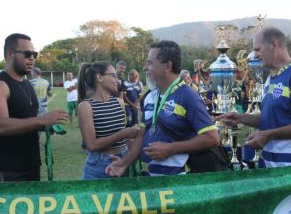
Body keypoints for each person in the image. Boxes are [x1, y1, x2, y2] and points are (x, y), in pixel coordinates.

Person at [106, 40, 220, 177]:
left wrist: (171, 149)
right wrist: (124, 163)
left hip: (178, 184)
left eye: (150, 63)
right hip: (151, 182)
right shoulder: (149, 96)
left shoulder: (188, 96)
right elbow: (141, 135)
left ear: (167, 66)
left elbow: (212, 138)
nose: (145, 68)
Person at [0, 33, 68, 182]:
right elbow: (0, 126)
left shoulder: (27, 83)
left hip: (31, 164)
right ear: (10, 54)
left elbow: (26, 119)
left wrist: (45, 126)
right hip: (7, 168)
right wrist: (41, 121)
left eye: (34, 54)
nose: (32, 58)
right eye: (27, 54)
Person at [215, 27, 291, 168]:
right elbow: (271, 118)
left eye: (258, 49)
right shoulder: (270, 79)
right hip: (271, 166)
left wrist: (269, 135)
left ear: (274, 44)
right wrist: (241, 118)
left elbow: (272, 128)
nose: (255, 56)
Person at [77, 61, 139, 180]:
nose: (118, 80)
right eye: (113, 75)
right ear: (99, 77)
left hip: (122, 161)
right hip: (100, 165)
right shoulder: (86, 106)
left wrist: (129, 158)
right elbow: (91, 145)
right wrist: (123, 133)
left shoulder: (119, 102)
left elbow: (127, 140)